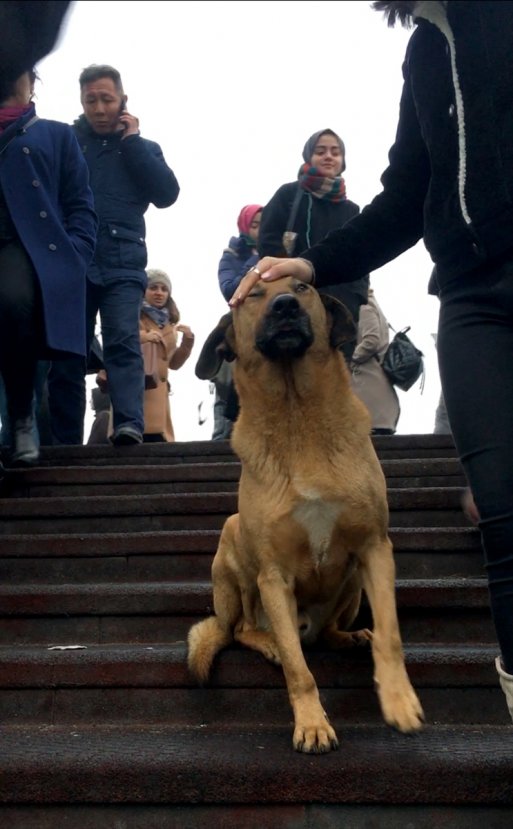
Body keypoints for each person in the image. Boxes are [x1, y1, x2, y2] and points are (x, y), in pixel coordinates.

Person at [231, 1, 513, 720]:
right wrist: (310, 262)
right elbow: (403, 199)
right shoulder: (422, 51)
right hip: (472, 296)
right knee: (504, 514)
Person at [47, 63, 180, 447]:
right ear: (82, 102)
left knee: (123, 340)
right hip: (74, 260)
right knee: (68, 348)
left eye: (107, 99)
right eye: (91, 100)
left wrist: (132, 141)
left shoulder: (141, 147)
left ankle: (129, 426)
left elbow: (167, 194)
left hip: (124, 261)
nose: (100, 108)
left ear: (123, 100)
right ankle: (65, 440)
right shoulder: (67, 143)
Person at [0, 69, 96, 466]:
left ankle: (22, 418)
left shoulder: (56, 134)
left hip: (23, 251)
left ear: (32, 83)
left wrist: (74, 256)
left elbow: (79, 203)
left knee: (13, 301)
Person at [258, 128, 369, 361]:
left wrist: (356, 301)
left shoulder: (352, 210)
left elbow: (361, 258)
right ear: (309, 156)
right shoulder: (288, 195)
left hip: (339, 311)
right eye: (321, 151)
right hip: (293, 308)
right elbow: (267, 242)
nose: (328, 156)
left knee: (336, 379)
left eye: (335, 152)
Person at [214, 204, 262, 440]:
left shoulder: (278, 250)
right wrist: (255, 261)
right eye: (255, 225)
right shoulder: (232, 255)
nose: (260, 231)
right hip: (244, 328)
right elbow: (230, 289)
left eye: (264, 225)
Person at [139, 269, 194, 442]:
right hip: (140, 387)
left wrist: (187, 342)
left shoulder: (170, 325)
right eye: (153, 287)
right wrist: (145, 337)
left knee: (159, 439)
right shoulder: (133, 315)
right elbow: (123, 340)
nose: (159, 293)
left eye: (164, 289)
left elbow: (173, 364)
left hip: (160, 392)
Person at [350, 287, 400, 435]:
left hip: (368, 392)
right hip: (373, 395)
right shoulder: (369, 304)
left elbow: (371, 341)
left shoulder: (364, 306)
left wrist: (347, 360)